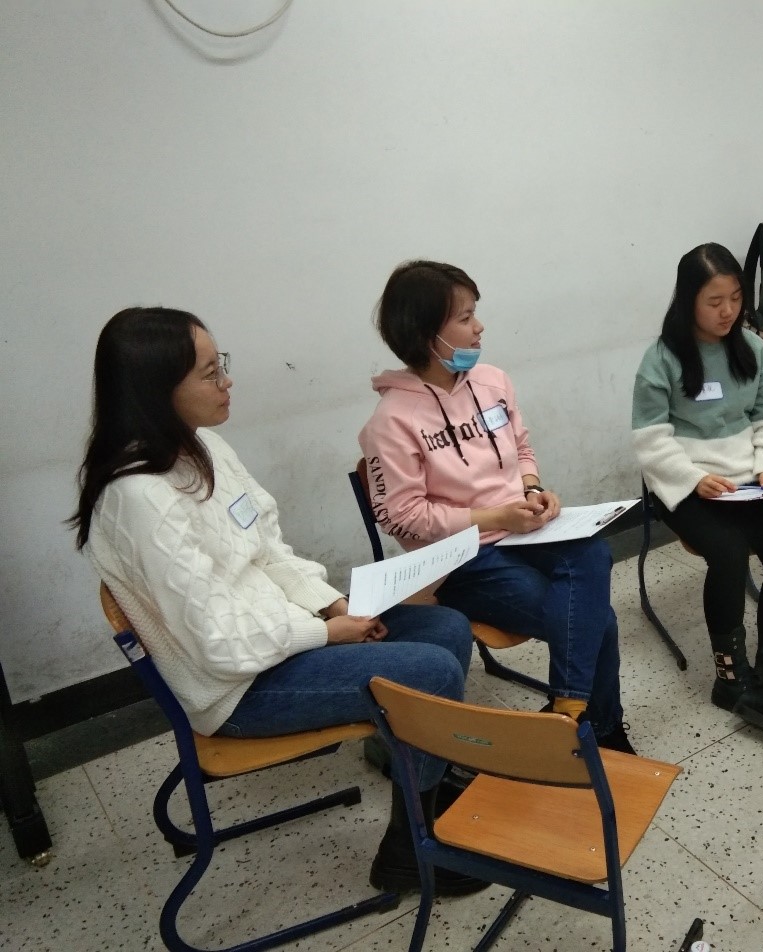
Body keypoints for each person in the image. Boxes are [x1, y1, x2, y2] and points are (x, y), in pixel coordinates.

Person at [72, 307, 485, 896]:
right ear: (156, 390)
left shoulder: (203, 447)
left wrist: (331, 606)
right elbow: (219, 643)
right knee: (432, 670)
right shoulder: (140, 498)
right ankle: (408, 852)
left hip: (276, 638)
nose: (227, 382)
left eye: (221, 365)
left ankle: (419, 778)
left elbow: (267, 551)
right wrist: (326, 633)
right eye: (209, 373)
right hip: (235, 687)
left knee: (445, 627)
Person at [357, 260, 632, 753]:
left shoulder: (492, 382)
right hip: (462, 557)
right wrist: (494, 518)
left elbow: (522, 448)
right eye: (465, 318)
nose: (479, 326)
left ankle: (569, 711)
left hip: (524, 530)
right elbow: (402, 516)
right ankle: (596, 728)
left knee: (593, 551)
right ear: (426, 334)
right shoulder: (391, 422)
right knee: (598, 620)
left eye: (475, 313)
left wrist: (532, 489)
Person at [632, 243, 763, 746]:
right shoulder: (662, 358)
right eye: (714, 301)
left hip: (749, 478)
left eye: (735, 298)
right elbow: (650, 438)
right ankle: (730, 678)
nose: (728, 311)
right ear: (688, 300)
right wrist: (692, 477)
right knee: (729, 554)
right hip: (686, 481)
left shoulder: (751, 346)